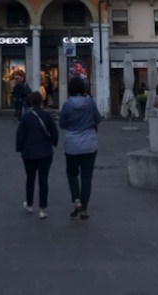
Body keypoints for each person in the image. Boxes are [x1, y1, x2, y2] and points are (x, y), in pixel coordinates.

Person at [59, 76, 101, 220]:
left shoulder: (67, 105)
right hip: (89, 143)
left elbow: (62, 124)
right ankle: (84, 208)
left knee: (72, 173)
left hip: (72, 144)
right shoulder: (90, 103)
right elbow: (98, 119)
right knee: (86, 176)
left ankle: (77, 200)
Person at [16, 91, 59, 219]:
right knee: (43, 180)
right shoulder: (47, 116)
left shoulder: (26, 117)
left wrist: (20, 148)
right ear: (41, 102)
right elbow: (54, 132)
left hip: (29, 153)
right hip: (45, 153)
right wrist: (53, 143)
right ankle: (42, 209)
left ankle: (29, 204)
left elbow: (20, 135)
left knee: (30, 178)